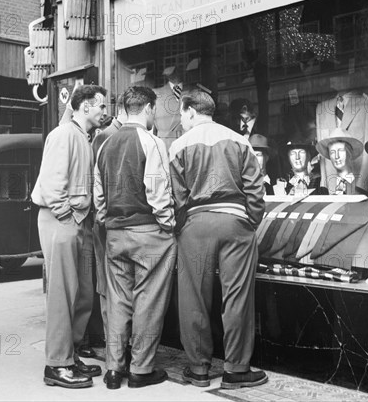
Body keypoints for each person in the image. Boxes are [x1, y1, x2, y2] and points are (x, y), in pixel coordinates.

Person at [169, 90, 267, 390]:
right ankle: (237, 369)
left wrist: (185, 226)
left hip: (196, 226)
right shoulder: (240, 141)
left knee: (193, 298)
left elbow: (177, 196)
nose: (181, 120)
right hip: (236, 223)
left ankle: (198, 368)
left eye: (181, 114)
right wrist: (249, 220)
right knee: (237, 297)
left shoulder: (178, 145)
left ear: (189, 111)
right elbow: (256, 189)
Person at [94, 86, 176, 390]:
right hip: (148, 233)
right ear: (149, 108)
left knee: (117, 300)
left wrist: (107, 221)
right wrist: (168, 226)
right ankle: (141, 369)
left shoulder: (105, 143)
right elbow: (157, 192)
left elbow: (98, 195)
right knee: (149, 299)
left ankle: (114, 369)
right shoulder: (151, 141)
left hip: (115, 234)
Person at [32, 84, 107, 389]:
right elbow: (52, 185)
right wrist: (69, 218)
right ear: (85, 107)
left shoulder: (79, 134)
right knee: (63, 294)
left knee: (82, 292)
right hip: (62, 219)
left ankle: (70, 355)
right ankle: (56, 365)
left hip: (76, 221)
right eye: (101, 105)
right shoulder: (64, 135)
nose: (105, 111)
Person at [90, 93, 129, 355]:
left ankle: (116, 348)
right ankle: (118, 347)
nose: (104, 111)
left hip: (110, 222)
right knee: (111, 288)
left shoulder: (107, 135)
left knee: (112, 288)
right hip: (112, 223)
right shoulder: (108, 136)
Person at [315, 127, 365, 195]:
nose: (337, 156)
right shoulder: (329, 189)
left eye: (340, 151)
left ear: (349, 153)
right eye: (332, 152)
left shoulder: (361, 187)